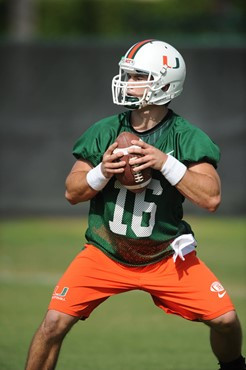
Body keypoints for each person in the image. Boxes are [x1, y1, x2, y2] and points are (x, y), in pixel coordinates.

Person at [25, 39, 245, 370]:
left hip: (165, 256)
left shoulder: (185, 137)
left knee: (226, 320)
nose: (127, 82)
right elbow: (72, 191)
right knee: (52, 324)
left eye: (137, 76)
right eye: (126, 75)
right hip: (105, 252)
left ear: (164, 82)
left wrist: (164, 163)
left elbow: (211, 197)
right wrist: (102, 172)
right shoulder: (105, 131)